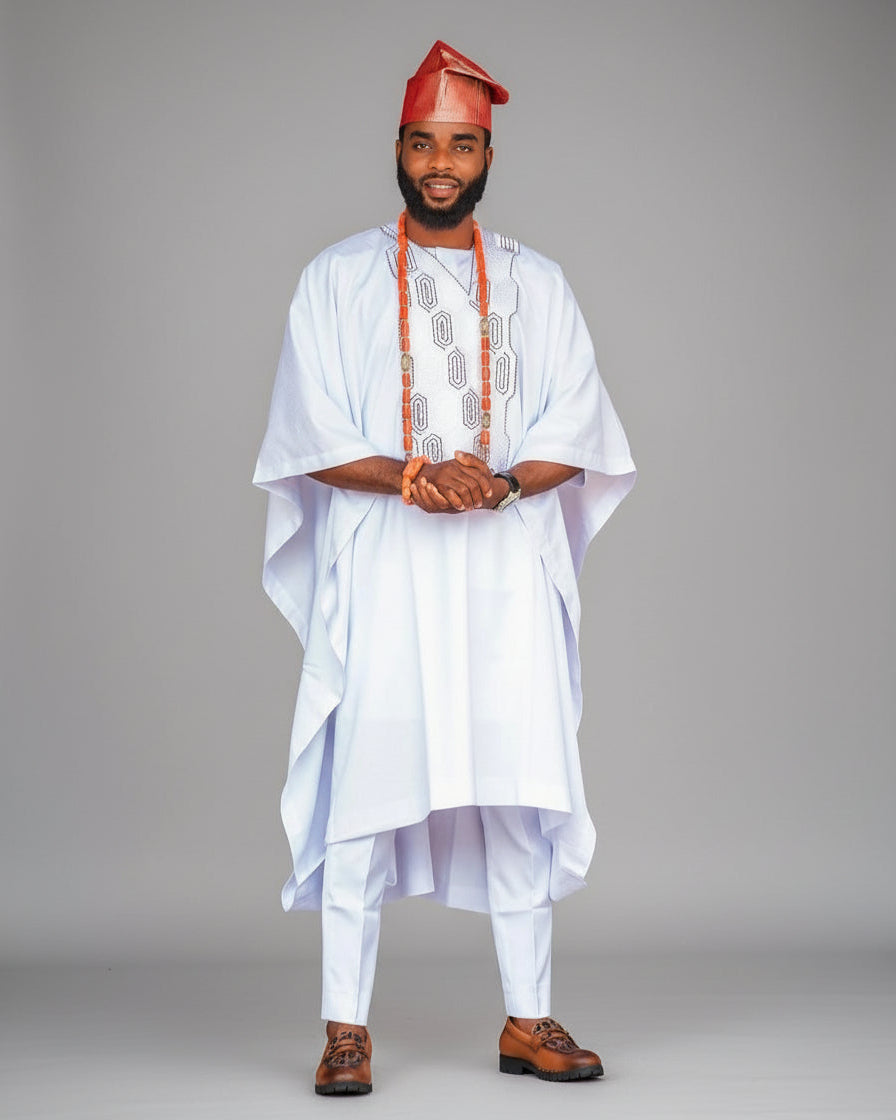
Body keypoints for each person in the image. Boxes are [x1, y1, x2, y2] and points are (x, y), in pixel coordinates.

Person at [252, 39, 637, 1096]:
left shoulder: (537, 283)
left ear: (487, 157)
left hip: (504, 568)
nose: (439, 164)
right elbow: (306, 430)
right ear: (397, 149)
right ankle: (344, 1029)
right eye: (422, 143)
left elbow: (580, 429)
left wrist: (498, 485)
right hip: (386, 565)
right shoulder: (334, 279)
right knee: (364, 790)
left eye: (460, 146)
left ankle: (527, 1018)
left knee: (517, 780)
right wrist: (413, 475)